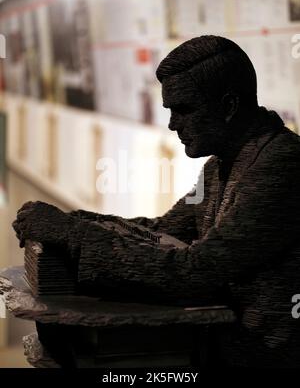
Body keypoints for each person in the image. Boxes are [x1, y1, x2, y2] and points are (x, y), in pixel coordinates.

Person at [13, 36, 300, 367]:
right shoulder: (222, 163)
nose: (172, 124)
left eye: (183, 109)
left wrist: (73, 234)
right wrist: (77, 221)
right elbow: (162, 230)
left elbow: (194, 273)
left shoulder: (282, 165)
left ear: (229, 106)